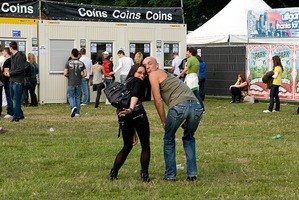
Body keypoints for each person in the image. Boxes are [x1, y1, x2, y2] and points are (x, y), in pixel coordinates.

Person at [143, 57, 204, 181]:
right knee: (189, 138)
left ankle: (170, 175)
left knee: (169, 138)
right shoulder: (168, 76)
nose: (147, 67)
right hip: (196, 106)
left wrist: (163, 120)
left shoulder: (154, 74)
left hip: (179, 106)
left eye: (150, 63)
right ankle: (192, 174)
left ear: (157, 65)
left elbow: (157, 99)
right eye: (145, 65)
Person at [109, 63, 151, 182]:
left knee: (127, 146)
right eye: (139, 72)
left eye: (144, 74)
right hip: (136, 113)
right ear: (133, 72)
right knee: (145, 145)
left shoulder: (125, 83)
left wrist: (132, 130)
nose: (142, 75)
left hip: (123, 116)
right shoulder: (137, 82)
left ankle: (113, 173)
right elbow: (135, 95)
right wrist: (131, 108)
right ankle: (145, 176)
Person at [64, 48, 86, 117]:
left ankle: (73, 106)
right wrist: (80, 76)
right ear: (78, 55)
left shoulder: (68, 62)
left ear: (72, 54)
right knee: (78, 97)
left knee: (70, 96)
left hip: (71, 82)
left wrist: (69, 76)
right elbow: (85, 74)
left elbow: (65, 73)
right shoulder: (81, 63)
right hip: (79, 82)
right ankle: (77, 113)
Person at [7, 41, 25, 122]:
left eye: (9, 48)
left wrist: (10, 73)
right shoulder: (13, 56)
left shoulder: (19, 56)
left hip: (18, 81)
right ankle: (20, 114)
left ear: (11, 48)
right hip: (12, 80)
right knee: (13, 98)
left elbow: (20, 69)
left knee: (16, 99)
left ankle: (16, 117)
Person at [2, 47, 13, 118]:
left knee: (9, 97)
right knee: (13, 97)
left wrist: (1, 73)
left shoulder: (7, 61)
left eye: (4, 51)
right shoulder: (13, 60)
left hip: (7, 81)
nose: (3, 52)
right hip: (13, 80)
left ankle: (10, 112)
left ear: (6, 52)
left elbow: (6, 73)